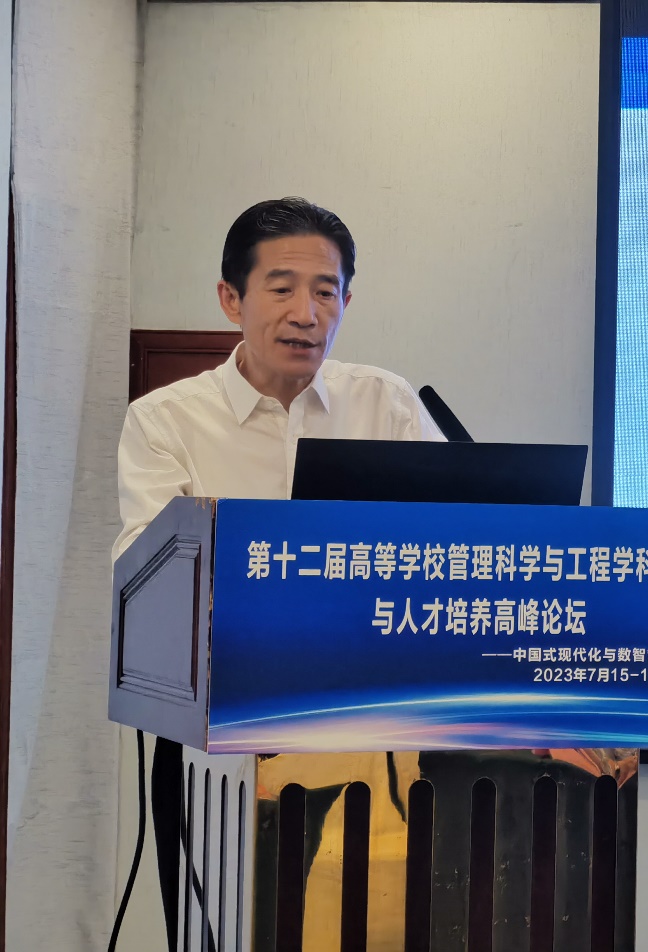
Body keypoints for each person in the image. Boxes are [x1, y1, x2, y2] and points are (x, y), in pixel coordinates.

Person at [114, 197, 445, 951]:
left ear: (347, 302)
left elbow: (452, 541)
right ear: (231, 299)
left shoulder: (386, 404)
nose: (307, 313)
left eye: (327, 291)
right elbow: (149, 577)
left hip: (376, 738)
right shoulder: (167, 421)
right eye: (283, 287)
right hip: (224, 755)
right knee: (237, 926)